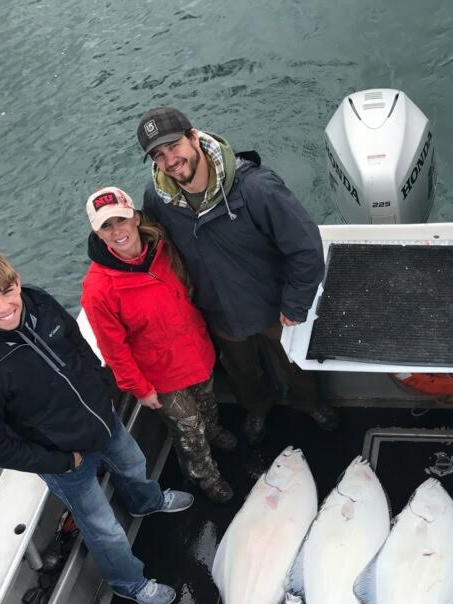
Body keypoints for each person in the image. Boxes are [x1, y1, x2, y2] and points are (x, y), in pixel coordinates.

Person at [0, 247, 192, 604]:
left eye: (8, 291)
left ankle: (146, 502)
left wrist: (104, 388)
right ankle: (129, 583)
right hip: (63, 458)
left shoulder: (38, 302)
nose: (4, 306)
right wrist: (59, 461)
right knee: (103, 528)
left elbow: (76, 343)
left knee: (134, 464)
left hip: (102, 419)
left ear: (17, 282)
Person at [135, 106, 338, 445]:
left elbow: (306, 248)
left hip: (274, 305)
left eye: (174, 147)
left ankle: (311, 403)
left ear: (194, 137)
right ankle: (257, 408)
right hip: (217, 310)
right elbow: (156, 250)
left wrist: (296, 303)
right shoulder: (156, 198)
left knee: (294, 364)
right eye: (158, 155)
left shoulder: (258, 188)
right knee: (241, 369)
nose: (169, 160)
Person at [81, 186, 236, 504]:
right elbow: (113, 348)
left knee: (207, 405)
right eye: (106, 226)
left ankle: (214, 431)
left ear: (135, 217)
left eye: (121, 220)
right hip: (160, 376)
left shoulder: (165, 246)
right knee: (188, 427)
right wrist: (139, 388)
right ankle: (203, 475)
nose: (117, 231)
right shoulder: (97, 289)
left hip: (197, 352)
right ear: (97, 232)